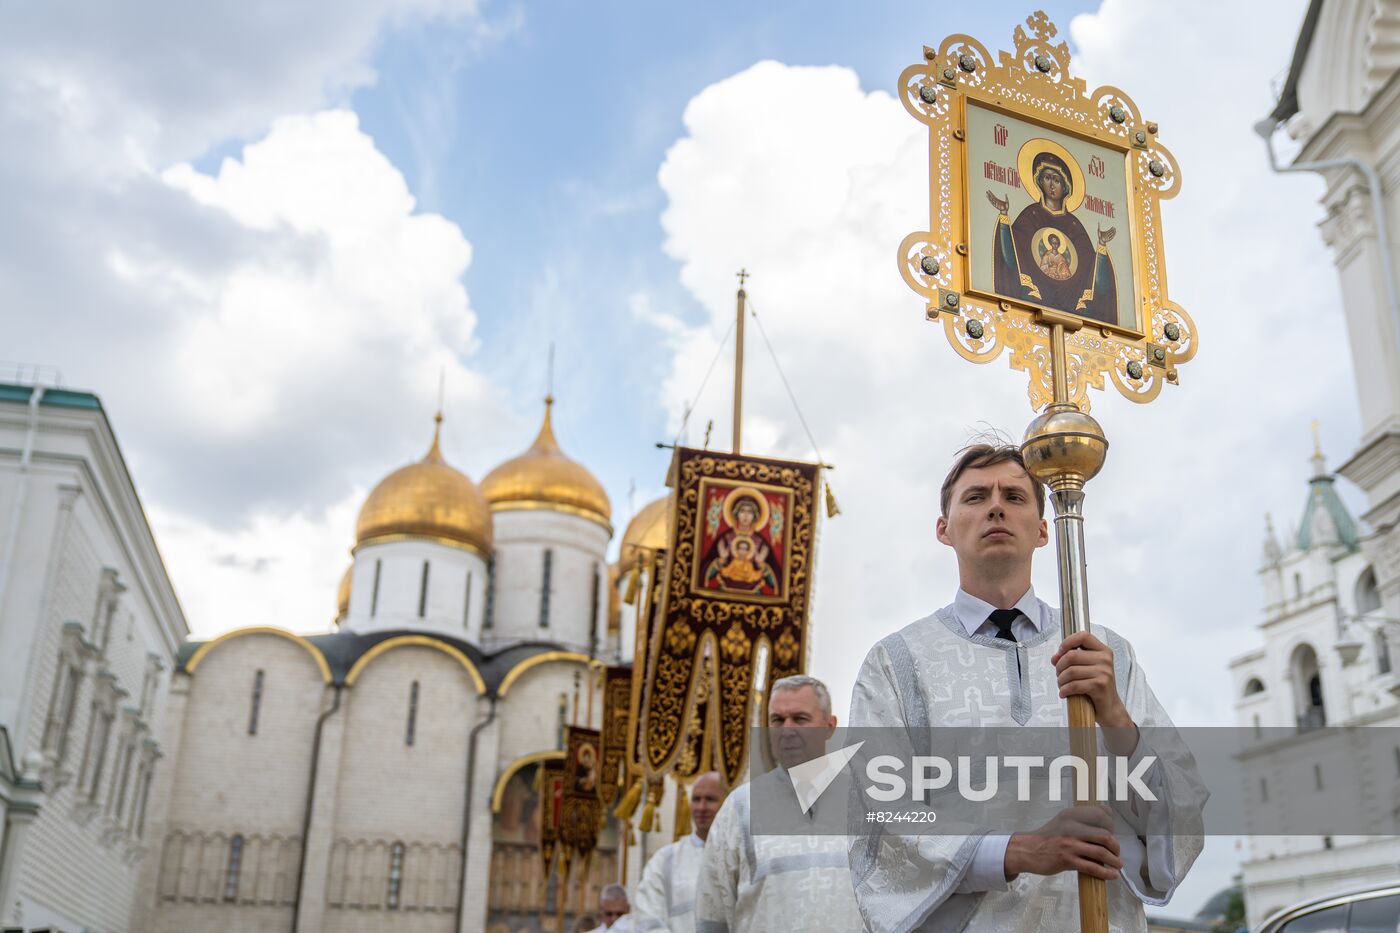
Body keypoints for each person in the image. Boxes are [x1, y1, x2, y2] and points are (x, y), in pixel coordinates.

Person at [847, 443, 1206, 932]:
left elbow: (1179, 815)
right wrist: (1019, 850)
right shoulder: (896, 662)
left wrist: (1117, 718)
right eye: (975, 496)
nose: (996, 505)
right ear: (943, 529)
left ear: (1042, 529)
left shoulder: (1107, 655)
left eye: (1015, 496)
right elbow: (882, 819)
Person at [694, 675, 864, 932]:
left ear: (830, 726)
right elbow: (712, 914)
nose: (787, 729)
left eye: (800, 719)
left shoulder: (864, 803)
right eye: (777, 720)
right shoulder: (740, 808)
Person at [986, 144, 1118, 324]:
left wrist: (1101, 247)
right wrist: (1003, 218)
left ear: (1066, 187)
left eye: (1057, 180)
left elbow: (1091, 271)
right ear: (1039, 181)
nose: (1051, 184)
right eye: (1047, 178)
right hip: (1035, 295)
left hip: (1072, 298)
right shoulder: (1030, 215)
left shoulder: (1074, 225)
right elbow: (1012, 258)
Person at [632, 771, 727, 932]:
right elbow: (648, 919)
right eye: (696, 799)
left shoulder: (741, 856)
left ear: (727, 803)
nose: (701, 807)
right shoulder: (665, 860)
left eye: (710, 799)